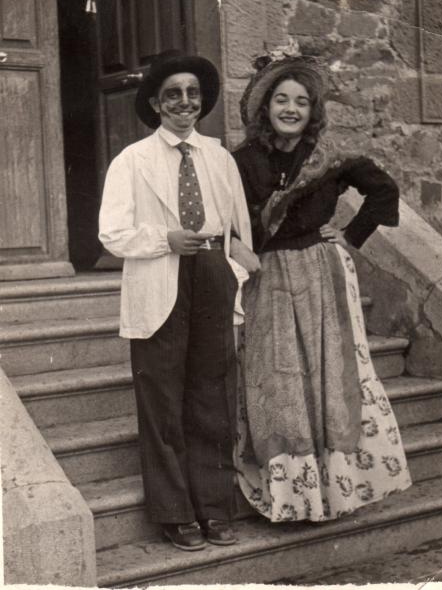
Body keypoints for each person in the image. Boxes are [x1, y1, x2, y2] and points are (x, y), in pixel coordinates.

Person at [232, 49, 412, 523]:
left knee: (328, 375)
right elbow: (228, 220)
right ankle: (293, 498)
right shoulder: (242, 161)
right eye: (281, 99)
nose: (290, 109)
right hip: (267, 276)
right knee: (279, 381)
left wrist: (351, 235)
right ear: (265, 106)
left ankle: (334, 491)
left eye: (302, 101)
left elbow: (384, 190)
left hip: (321, 272)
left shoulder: (329, 157)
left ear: (313, 111)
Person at [98, 50, 257, 550]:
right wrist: (163, 239)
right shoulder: (132, 161)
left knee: (212, 395)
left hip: (210, 273)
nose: (185, 102)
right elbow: (111, 233)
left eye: (193, 93)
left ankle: (214, 507)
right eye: (173, 94)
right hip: (159, 272)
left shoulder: (219, 158)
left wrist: (234, 267)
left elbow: (236, 227)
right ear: (155, 103)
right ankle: (175, 513)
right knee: (162, 397)